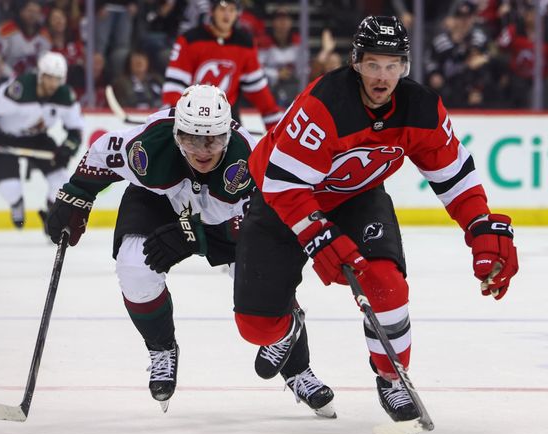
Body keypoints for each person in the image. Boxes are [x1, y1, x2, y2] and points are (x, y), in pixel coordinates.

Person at [232, 15, 519, 425]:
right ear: (355, 63)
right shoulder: (326, 104)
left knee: (385, 283)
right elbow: (283, 184)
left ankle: (390, 376)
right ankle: (286, 322)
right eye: (372, 65)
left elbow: (453, 174)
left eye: (392, 65)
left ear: (405, 66)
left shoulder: (421, 108)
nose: (382, 76)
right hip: (282, 201)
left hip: (357, 197)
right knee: (257, 328)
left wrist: (479, 227)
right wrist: (319, 236)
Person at [44, 84, 333, 415]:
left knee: (261, 282)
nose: (202, 151)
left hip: (229, 220)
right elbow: (101, 152)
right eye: (192, 139)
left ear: (228, 133)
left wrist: (195, 236)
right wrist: (75, 195)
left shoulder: (252, 160)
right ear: (177, 133)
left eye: (212, 139)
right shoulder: (149, 146)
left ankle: (298, 370)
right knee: (134, 266)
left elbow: (261, 231)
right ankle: (161, 349)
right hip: (158, 201)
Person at [0, 51, 83, 229]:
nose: (53, 84)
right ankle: (16, 203)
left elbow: (76, 129)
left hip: (37, 138)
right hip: (5, 137)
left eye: (58, 79)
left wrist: (68, 148)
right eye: (49, 78)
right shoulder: (19, 90)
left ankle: (52, 215)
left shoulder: (65, 96)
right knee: (10, 188)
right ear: (40, 75)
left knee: (62, 180)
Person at [162, 0, 283, 131]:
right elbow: (174, 88)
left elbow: (258, 91)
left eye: (231, 10)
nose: (227, 15)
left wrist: (276, 127)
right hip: (191, 118)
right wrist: (171, 122)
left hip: (227, 119)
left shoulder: (245, 43)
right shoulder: (190, 40)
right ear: (212, 11)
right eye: (222, 9)